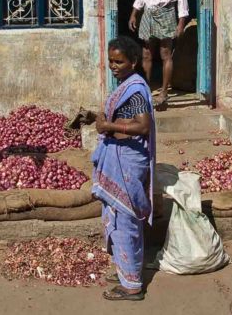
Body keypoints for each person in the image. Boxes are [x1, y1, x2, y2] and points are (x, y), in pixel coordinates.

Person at [92, 36, 156, 301]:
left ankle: (131, 285)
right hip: (120, 157)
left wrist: (110, 127)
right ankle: (125, 268)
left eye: (119, 61)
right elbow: (124, 116)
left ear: (134, 62)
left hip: (128, 161)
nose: (114, 66)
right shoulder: (125, 86)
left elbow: (142, 126)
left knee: (125, 219)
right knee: (120, 217)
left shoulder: (137, 89)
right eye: (111, 61)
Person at [128, 0, 189, 109]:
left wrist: (181, 24)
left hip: (166, 14)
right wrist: (134, 13)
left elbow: (182, 0)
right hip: (148, 14)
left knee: (165, 54)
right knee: (146, 53)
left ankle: (163, 93)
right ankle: (146, 89)